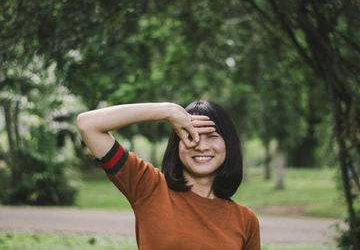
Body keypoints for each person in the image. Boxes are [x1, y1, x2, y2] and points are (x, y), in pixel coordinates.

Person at [77, 101, 260, 250]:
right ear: (176, 146)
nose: (200, 145)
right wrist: (167, 111)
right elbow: (88, 124)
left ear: (228, 145)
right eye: (189, 135)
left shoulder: (246, 220)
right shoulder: (148, 186)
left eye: (212, 136)